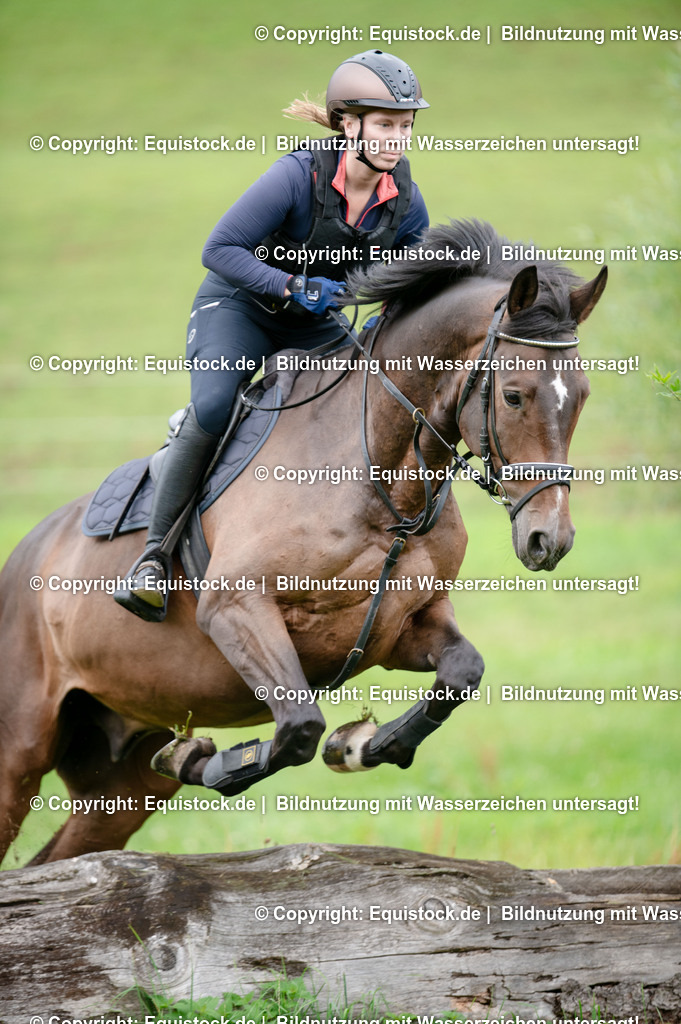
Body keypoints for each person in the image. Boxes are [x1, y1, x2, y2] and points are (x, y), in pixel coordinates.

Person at [114, 49, 430, 621]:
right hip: (239, 308)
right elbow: (218, 249)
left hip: (314, 326)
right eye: (386, 124)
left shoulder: (406, 204)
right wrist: (291, 285)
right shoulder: (295, 176)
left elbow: (409, 285)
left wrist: (389, 317)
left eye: (405, 125)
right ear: (349, 125)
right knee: (216, 406)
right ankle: (154, 557)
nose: (398, 138)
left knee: (359, 402)